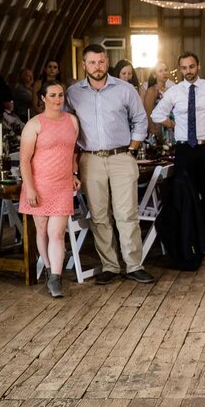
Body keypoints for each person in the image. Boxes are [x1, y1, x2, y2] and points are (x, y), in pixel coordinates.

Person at [66, 44, 154, 285]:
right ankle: (110, 266)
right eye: (92, 62)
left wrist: (132, 150)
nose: (97, 67)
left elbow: (140, 119)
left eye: (101, 62)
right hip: (90, 159)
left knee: (126, 213)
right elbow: (65, 126)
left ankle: (134, 265)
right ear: (84, 65)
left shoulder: (125, 89)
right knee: (99, 216)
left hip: (121, 156)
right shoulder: (73, 93)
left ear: (107, 62)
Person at [151, 51, 205, 244]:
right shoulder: (174, 92)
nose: (188, 71)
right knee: (185, 195)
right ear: (180, 69)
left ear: (198, 66)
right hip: (184, 150)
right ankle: (190, 238)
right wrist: (173, 125)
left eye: (191, 67)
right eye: (184, 68)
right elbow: (156, 114)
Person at [18, 83, 80, 298]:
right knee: (43, 231)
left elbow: (73, 152)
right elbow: (24, 160)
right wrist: (31, 189)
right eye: (52, 95)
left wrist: (73, 174)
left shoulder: (71, 121)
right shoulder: (34, 124)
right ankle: (47, 267)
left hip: (62, 184)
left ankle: (56, 278)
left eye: (61, 95)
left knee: (57, 232)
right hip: (39, 184)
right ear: (43, 98)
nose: (57, 99)